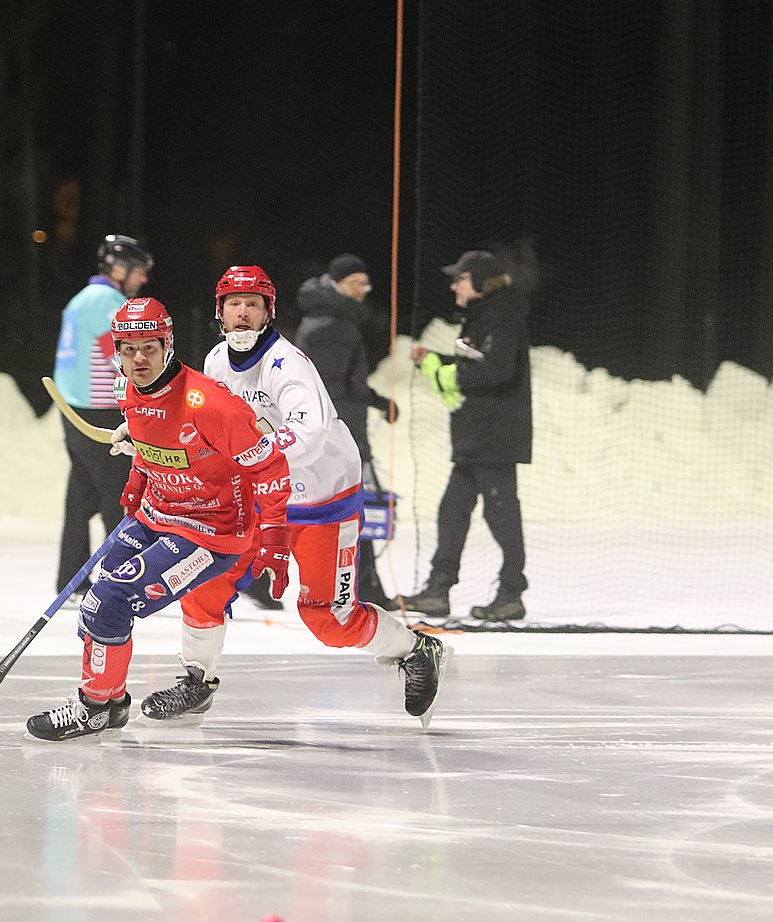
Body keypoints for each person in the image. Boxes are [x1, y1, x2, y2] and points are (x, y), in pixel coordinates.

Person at [131, 265, 450, 728]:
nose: (242, 313)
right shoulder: (218, 360)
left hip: (322, 499)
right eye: (233, 304)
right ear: (220, 312)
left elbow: (310, 433)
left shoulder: (288, 364)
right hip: (260, 498)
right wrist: (145, 432)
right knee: (204, 582)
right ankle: (197, 681)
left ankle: (417, 650)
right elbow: (196, 417)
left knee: (327, 617)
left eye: (253, 304)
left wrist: (242, 455)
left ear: (268, 313)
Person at [26, 296, 293, 741]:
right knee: (95, 607)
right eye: (127, 349)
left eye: (149, 347)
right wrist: (135, 483)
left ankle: (93, 708)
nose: (138, 359)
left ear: (168, 343)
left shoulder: (210, 405)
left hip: (210, 533)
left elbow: (270, 467)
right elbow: (150, 443)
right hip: (157, 514)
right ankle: (107, 702)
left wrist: (276, 539)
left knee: (110, 600)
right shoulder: (125, 388)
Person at [398, 242, 533, 622]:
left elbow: (497, 371)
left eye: (460, 279)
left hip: (496, 438)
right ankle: (438, 590)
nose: (454, 286)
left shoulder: (503, 316)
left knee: (501, 515)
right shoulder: (483, 316)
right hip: (477, 438)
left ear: (480, 283)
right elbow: (477, 365)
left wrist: (447, 371)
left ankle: (511, 593)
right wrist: (437, 361)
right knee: (453, 509)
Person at [50, 234, 152, 599]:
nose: (142, 280)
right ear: (119, 269)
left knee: (80, 496)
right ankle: (122, 580)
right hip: (99, 412)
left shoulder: (80, 299)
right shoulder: (109, 302)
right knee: (119, 497)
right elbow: (123, 358)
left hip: (72, 408)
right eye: (138, 272)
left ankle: (71, 579)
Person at [295, 253, 398, 609]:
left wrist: (377, 401)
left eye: (366, 283)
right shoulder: (331, 325)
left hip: (341, 429)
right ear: (338, 283)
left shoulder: (334, 319)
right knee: (353, 505)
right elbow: (329, 389)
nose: (364, 291)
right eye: (357, 283)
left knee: (349, 506)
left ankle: (365, 582)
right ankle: (363, 584)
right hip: (339, 435)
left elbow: (343, 384)